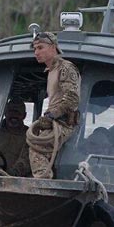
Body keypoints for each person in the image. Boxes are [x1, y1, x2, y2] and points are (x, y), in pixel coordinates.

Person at [26, 32, 80, 179]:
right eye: (35, 49)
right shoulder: (51, 71)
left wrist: (51, 116)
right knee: (33, 142)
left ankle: (42, 184)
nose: (36, 52)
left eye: (40, 48)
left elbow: (72, 100)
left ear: (53, 47)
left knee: (37, 148)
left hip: (63, 123)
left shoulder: (65, 68)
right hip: (54, 121)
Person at [0, 98, 31, 177]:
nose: (14, 115)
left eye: (17, 112)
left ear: (24, 115)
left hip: (17, 181)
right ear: (5, 113)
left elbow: (28, 159)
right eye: (11, 112)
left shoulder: (30, 136)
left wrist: (11, 174)